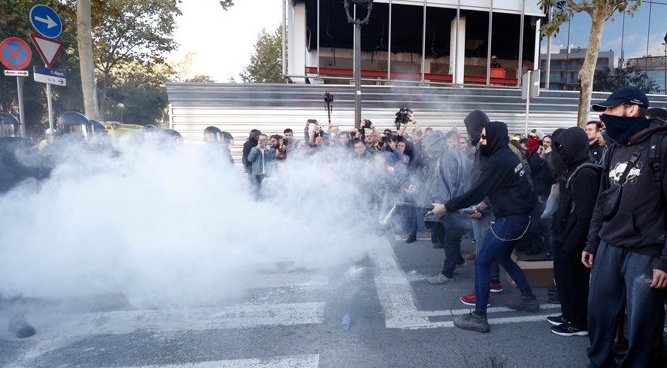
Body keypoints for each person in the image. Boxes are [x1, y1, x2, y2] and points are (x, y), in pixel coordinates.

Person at [583, 86, 667, 367]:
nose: (604, 117)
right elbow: (601, 200)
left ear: (632, 109)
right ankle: (600, 362)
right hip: (609, 244)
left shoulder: (661, 145)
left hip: (645, 249)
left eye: (609, 109)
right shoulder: (614, 146)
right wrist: (592, 241)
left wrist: (664, 260)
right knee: (599, 312)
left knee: (642, 322)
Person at [432, 121, 537, 333]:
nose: (481, 141)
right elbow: (505, 188)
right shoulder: (507, 154)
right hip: (518, 216)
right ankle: (529, 298)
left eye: (484, 137)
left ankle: (480, 316)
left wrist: (446, 206)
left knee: (481, 262)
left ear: (496, 137)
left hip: (510, 220)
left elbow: (477, 191)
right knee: (503, 257)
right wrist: (483, 204)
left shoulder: (499, 160)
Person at [548, 127, 601, 337]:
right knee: (564, 279)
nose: (561, 151)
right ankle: (568, 315)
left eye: (564, 147)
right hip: (565, 236)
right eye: (559, 147)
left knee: (575, 282)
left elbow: (585, 214)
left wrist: (572, 242)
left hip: (574, 240)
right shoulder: (573, 168)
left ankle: (578, 322)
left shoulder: (586, 172)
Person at [458, 110, 504, 308]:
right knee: (488, 249)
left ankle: (481, 295)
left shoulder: (486, 149)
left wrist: (481, 206)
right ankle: (493, 281)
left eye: (468, 128)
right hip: (484, 205)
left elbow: (489, 182)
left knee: (482, 252)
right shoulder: (485, 146)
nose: (467, 133)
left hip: (484, 208)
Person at [423, 131, 471, 284]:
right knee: (450, 236)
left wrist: (444, 206)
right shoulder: (453, 154)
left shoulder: (446, 159)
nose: (427, 150)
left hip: (453, 206)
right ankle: (458, 260)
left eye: (428, 147)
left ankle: (447, 273)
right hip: (459, 203)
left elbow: (449, 185)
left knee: (449, 238)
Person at [247, 134, 276, 199]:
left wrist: (266, 150)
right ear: (258, 141)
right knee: (257, 192)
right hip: (257, 174)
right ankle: (257, 205)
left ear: (267, 141)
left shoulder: (272, 150)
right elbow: (250, 159)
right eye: (260, 140)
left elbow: (272, 160)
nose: (262, 141)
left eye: (264, 140)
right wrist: (257, 149)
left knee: (268, 192)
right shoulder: (254, 149)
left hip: (267, 174)